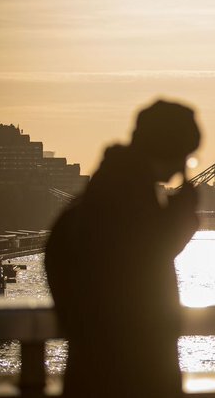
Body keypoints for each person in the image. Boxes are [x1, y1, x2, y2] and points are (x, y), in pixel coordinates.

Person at [45, 100, 201, 398]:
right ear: (172, 151)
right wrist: (181, 220)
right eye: (186, 156)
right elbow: (140, 265)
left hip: (90, 375)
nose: (185, 166)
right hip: (128, 378)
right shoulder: (126, 204)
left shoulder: (98, 199)